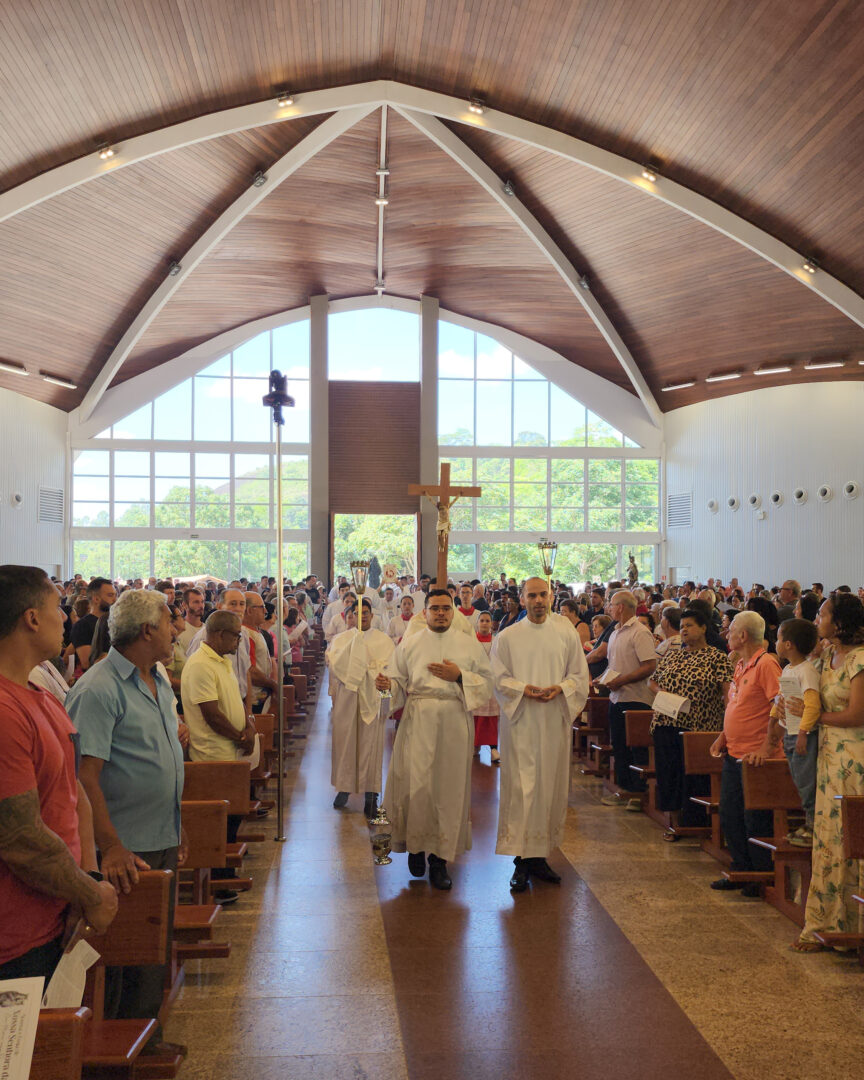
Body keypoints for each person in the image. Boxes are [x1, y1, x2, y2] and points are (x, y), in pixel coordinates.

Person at [67, 589, 186, 1060]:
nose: (177, 629)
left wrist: (178, 821)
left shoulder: (158, 677)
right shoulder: (99, 689)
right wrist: (111, 846)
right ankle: (114, 1057)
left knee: (153, 952)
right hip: (123, 849)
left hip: (159, 834)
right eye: (170, 621)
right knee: (120, 964)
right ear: (147, 630)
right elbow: (83, 777)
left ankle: (146, 1045)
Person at [0, 565, 117, 981]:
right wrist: (90, 894)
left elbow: (74, 793)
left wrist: (88, 879)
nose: (66, 617)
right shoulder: (5, 711)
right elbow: (19, 838)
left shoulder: (43, 698)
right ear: (31, 618)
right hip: (16, 937)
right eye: (56, 607)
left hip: (58, 913)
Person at [375, 590, 493, 890]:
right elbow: (396, 683)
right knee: (418, 785)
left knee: (449, 789)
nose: (441, 613)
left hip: (454, 719)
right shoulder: (410, 643)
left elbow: (486, 682)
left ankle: (439, 860)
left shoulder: (468, 644)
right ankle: (415, 847)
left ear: (453, 611)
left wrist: (460, 676)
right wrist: (387, 685)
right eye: (435, 608)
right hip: (419, 718)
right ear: (424, 612)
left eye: (445, 608)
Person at [492, 578, 589, 891]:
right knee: (523, 789)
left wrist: (560, 688)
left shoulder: (565, 632)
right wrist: (524, 689)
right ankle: (520, 860)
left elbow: (579, 675)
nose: (538, 601)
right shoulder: (508, 637)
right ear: (522, 599)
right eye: (531, 595)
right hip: (521, 721)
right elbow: (498, 678)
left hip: (553, 720)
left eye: (542, 595)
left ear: (551, 597)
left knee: (548, 786)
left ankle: (539, 856)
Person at [794, 594, 864, 952]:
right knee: (828, 837)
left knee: (850, 834)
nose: (816, 619)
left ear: (839, 622)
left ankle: (853, 925)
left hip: (854, 757)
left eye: (822, 614)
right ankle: (827, 922)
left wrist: (815, 718)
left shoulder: (859, 659)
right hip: (828, 756)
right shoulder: (826, 656)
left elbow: (857, 714)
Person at [181, 610, 257, 903]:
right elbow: (211, 715)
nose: (239, 640)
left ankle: (226, 872)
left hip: (229, 751)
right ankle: (218, 880)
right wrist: (240, 736)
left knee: (233, 815)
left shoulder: (221, 661)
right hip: (212, 754)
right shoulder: (200, 664)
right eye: (236, 635)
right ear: (219, 635)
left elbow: (234, 701)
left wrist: (248, 726)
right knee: (221, 820)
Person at [708, 611, 781, 895]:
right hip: (734, 754)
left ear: (744, 635)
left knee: (755, 819)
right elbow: (736, 706)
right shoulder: (740, 664)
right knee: (731, 815)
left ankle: (760, 876)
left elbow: (780, 709)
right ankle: (741, 869)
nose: (726, 633)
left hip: (756, 758)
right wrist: (723, 737)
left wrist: (766, 748)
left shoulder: (767, 664)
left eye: (731, 630)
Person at [649, 607, 733, 840]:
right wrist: (661, 692)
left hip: (699, 725)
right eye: (682, 626)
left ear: (703, 628)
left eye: (689, 626)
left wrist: (728, 725)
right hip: (666, 721)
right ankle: (674, 823)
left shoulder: (716, 657)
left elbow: (727, 693)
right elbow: (652, 682)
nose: (684, 630)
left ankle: (695, 822)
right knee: (669, 773)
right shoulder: (673, 655)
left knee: (692, 776)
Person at [328, 599, 394, 818]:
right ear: (350, 616)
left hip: (373, 697)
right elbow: (335, 665)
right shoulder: (341, 639)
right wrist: (361, 670)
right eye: (357, 613)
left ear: (371, 615)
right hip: (348, 696)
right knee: (346, 743)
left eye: (365, 612)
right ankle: (344, 788)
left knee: (371, 746)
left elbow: (390, 667)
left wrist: (371, 673)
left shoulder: (383, 640)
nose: (362, 616)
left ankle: (371, 796)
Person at [599, 591, 657, 809]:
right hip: (616, 697)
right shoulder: (615, 632)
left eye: (611, 604)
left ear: (621, 607)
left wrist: (622, 680)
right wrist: (602, 679)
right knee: (619, 745)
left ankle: (638, 793)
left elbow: (649, 666)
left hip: (636, 698)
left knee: (636, 747)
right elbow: (613, 665)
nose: (609, 607)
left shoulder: (640, 632)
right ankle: (624, 789)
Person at [766, 618, 820, 847]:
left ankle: (813, 826)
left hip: (802, 736)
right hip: (790, 733)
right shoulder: (789, 669)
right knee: (798, 780)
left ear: (788, 644)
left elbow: (812, 705)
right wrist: (773, 724)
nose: (775, 643)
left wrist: (803, 733)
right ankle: (809, 824)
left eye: (778, 639)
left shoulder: (806, 671)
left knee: (807, 782)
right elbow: (781, 700)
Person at [69, 576, 116, 671]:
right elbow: (87, 663)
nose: (115, 600)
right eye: (110, 595)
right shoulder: (83, 626)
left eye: (116, 595)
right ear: (96, 599)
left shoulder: (114, 622)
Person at [472, 611, 500, 764]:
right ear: (477, 623)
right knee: (475, 717)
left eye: (487, 621)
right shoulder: (470, 642)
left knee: (491, 718)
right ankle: (474, 745)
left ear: (491, 624)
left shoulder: (497, 641)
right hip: (475, 683)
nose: (484, 623)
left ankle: (493, 748)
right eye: (481, 620)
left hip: (491, 684)